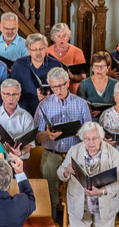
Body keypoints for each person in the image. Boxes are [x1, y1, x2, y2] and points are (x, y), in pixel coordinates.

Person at [34, 68, 91, 212]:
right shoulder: (43, 105)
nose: (58, 90)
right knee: (49, 193)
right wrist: (47, 134)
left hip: (75, 154)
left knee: (77, 193)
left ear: (68, 83)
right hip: (52, 152)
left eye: (61, 85)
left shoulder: (81, 103)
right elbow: (37, 138)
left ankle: (74, 225)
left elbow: (90, 134)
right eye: (54, 87)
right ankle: (52, 221)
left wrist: (82, 134)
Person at [9, 33, 63, 113]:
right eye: (34, 49)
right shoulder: (19, 64)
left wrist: (50, 95)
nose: (38, 52)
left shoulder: (55, 64)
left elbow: (64, 89)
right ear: (28, 51)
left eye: (41, 49)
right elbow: (11, 89)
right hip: (24, 112)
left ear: (46, 48)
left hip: (50, 111)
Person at [0, 79, 36, 159]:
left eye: (14, 94)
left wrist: (20, 152)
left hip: (19, 160)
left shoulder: (26, 117)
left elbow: (29, 144)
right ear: (1, 95)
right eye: (7, 94)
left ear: (19, 95)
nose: (11, 98)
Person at [76, 52, 119, 120]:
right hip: (90, 121)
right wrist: (88, 113)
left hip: (111, 121)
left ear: (108, 68)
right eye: (96, 66)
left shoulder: (116, 84)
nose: (99, 69)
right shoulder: (84, 84)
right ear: (92, 68)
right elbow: (79, 108)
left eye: (102, 66)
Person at [47, 23, 87, 93]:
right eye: (58, 36)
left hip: (73, 91)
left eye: (64, 36)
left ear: (68, 37)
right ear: (53, 38)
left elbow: (84, 77)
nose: (61, 39)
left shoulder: (77, 52)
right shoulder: (47, 51)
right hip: (53, 90)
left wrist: (72, 77)